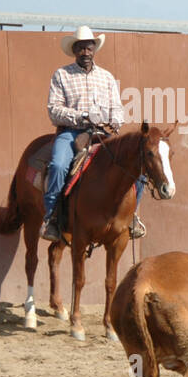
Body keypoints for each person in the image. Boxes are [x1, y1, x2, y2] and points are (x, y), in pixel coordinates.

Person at [42, 25, 132, 241]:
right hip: (72, 133)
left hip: (102, 133)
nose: (85, 52)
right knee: (58, 165)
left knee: (132, 165)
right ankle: (52, 217)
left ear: (94, 49)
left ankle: (132, 217)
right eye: (81, 48)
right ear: (74, 50)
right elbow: (54, 110)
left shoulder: (107, 77)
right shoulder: (61, 75)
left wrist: (115, 123)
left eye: (89, 48)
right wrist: (82, 117)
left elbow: (117, 108)